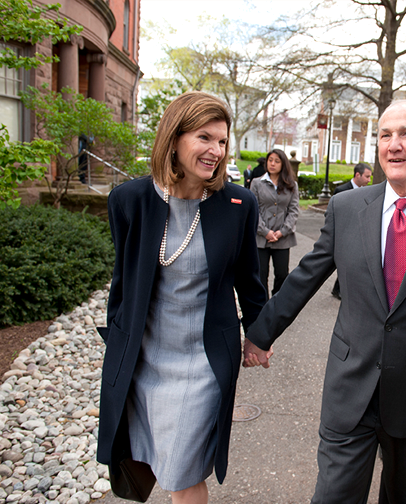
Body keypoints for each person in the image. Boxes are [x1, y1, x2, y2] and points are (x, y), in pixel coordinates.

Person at [244, 99, 406, 503]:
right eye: (385, 135)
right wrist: (260, 333)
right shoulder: (347, 208)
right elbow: (304, 278)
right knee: (333, 495)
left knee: (402, 495)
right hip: (350, 386)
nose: (393, 145)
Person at [97, 91, 267, 504]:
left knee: (182, 473)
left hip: (203, 362)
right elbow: (125, 280)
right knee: (150, 458)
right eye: (205, 138)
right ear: (174, 138)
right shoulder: (129, 200)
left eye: (223, 141)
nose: (216, 151)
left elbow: (250, 280)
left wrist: (260, 335)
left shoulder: (238, 203)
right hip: (145, 359)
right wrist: (117, 338)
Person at [250, 148, 300, 299]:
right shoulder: (257, 183)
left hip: (282, 238)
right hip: (261, 238)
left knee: (282, 274)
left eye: (277, 161)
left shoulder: (291, 185)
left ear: (283, 164)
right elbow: (253, 210)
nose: (272, 164)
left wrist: (282, 231)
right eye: (270, 160)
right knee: (261, 275)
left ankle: (276, 304)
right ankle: (262, 305)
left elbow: (293, 211)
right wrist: (264, 231)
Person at [331, 162, 373, 299]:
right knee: (343, 263)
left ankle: (338, 288)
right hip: (343, 233)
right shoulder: (341, 190)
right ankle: (340, 289)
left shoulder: (368, 192)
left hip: (359, 233)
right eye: (367, 177)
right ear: (357, 175)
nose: (369, 180)